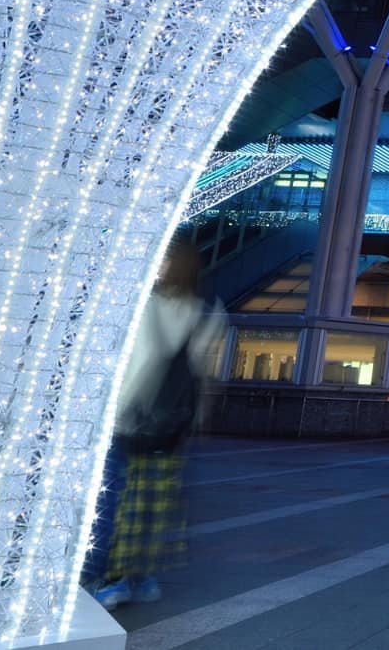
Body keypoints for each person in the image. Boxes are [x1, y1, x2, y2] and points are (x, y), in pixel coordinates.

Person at [92, 236, 226, 610]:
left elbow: (138, 364)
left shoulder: (145, 304)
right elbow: (201, 372)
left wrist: (111, 414)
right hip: (172, 426)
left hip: (128, 420)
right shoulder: (210, 310)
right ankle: (144, 577)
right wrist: (194, 422)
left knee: (116, 503)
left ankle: (114, 580)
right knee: (155, 502)